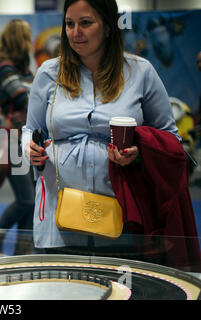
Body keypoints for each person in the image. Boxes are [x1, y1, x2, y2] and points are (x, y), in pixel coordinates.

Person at [22, 0, 180, 255]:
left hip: (124, 218)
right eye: (69, 24)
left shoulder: (141, 71)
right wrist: (29, 149)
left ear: (107, 27)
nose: (75, 32)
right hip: (57, 219)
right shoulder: (48, 72)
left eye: (85, 23)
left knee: (122, 292)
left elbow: (170, 138)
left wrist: (138, 153)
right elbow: (30, 129)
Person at [0, 19, 36, 256]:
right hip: (12, 140)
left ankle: (22, 251)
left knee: (33, 200)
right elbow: (24, 98)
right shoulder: (5, 68)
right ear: (20, 39)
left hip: (27, 137)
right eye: (27, 35)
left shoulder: (24, 70)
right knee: (26, 199)